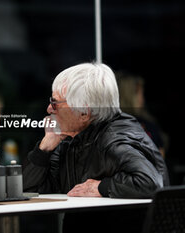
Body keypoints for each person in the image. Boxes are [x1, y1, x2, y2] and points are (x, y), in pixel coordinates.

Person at [23, 63, 169, 232]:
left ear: (84, 113)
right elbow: (29, 190)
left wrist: (100, 187)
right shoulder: (70, 138)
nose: (49, 109)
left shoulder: (116, 138)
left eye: (55, 103)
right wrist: (44, 149)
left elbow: (152, 183)